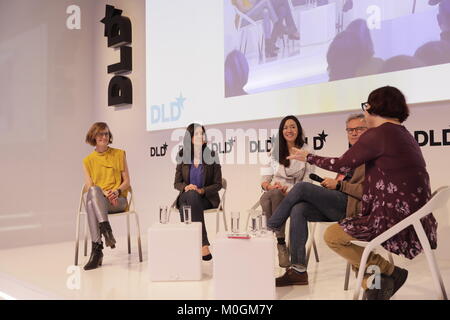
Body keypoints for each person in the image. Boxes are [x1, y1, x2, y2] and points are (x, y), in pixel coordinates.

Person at [288, 86, 438, 300]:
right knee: (324, 220)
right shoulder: (403, 134)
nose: (365, 112)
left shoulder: (380, 134)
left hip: (393, 218)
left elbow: (341, 165)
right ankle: (377, 283)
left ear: (373, 107)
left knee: (332, 236)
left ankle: (389, 272)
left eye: (366, 106)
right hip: (415, 218)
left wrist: (308, 156)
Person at [267, 113, 367, 286]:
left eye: (359, 129)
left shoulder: (371, 158)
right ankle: (298, 270)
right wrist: (335, 185)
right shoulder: (351, 155)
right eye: (350, 130)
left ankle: (271, 226)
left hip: (354, 206)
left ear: (369, 131)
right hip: (340, 202)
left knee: (302, 187)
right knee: (299, 209)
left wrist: (339, 186)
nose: (354, 133)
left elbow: (367, 192)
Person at [260, 115, 314, 268]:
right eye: (285, 127)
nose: (289, 130)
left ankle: (276, 238)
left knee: (274, 199)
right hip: (275, 193)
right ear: (281, 131)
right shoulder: (274, 151)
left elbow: (308, 181)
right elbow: (264, 181)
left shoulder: (307, 151)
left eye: (292, 127)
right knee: (273, 195)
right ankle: (281, 243)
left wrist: (290, 191)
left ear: (298, 130)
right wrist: (271, 187)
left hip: (296, 194)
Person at [82, 122, 131, 270]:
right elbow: (90, 186)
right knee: (92, 197)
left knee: (91, 202)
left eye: (106, 134)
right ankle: (106, 230)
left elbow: (127, 182)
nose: (104, 137)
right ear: (94, 137)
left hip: (118, 201)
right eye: (100, 134)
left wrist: (115, 192)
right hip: (101, 201)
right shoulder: (88, 161)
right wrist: (103, 193)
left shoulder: (119, 154)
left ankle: (97, 250)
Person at [174, 123, 222, 261]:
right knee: (190, 194)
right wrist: (186, 187)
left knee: (186, 207)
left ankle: (190, 245)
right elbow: (176, 183)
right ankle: (204, 244)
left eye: (202, 133)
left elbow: (218, 184)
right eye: (197, 134)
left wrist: (201, 190)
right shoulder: (182, 155)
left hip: (206, 198)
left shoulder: (212, 155)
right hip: (186, 194)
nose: (201, 136)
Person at [232, 0, 300, 57]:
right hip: (243, 19)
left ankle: (269, 46)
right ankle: (281, 27)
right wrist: (256, 6)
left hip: (253, 14)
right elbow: (242, 9)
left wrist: (257, 4)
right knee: (267, 2)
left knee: (278, 9)